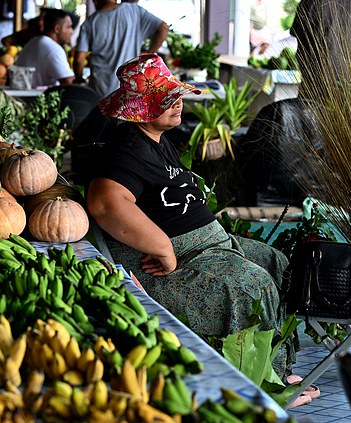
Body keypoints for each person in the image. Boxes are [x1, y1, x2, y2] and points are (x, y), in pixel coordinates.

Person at [85, 53, 292, 377]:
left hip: (205, 246)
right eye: (166, 99)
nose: (178, 102)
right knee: (254, 285)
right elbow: (104, 202)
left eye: (176, 94)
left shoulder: (157, 139)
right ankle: (258, 382)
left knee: (275, 261)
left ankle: (274, 371)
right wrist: (163, 248)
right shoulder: (128, 148)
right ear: (141, 109)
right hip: (180, 257)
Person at [73, 0, 169, 99]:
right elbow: (163, 28)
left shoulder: (90, 22)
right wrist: (149, 53)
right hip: (129, 90)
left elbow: (79, 60)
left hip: (99, 92)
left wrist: (79, 79)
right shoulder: (134, 11)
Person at [14, 9, 75, 87]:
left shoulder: (34, 42)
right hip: (34, 98)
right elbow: (69, 82)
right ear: (57, 29)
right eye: (69, 27)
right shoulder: (53, 49)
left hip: (23, 97)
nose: (72, 31)